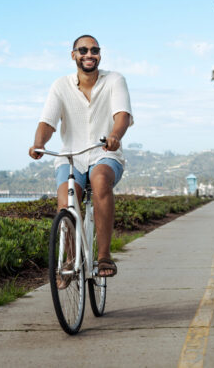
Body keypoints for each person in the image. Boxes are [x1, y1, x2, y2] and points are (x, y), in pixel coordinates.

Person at [28, 34, 132, 278]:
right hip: (71, 156)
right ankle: (70, 262)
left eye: (94, 50)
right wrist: (38, 143)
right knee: (66, 200)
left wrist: (115, 136)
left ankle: (104, 256)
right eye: (83, 50)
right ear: (73, 54)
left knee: (99, 180)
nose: (89, 55)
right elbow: (47, 122)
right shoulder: (60, 86)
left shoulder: (115, 80)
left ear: (99, 55)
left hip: (105, 153)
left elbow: (122, 115)